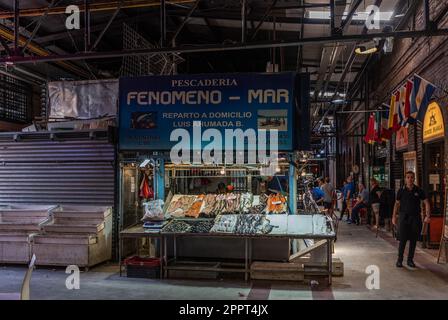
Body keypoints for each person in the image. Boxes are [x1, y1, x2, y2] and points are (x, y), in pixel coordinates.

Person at [392, 171, 431, 268]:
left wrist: (427, 215)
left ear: (414, 179)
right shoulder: (401, 191)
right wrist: (394, 216)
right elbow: (396, 204)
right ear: (405, 179)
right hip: (404, 217)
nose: (410, 179)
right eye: (408, 177)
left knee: (413, 240)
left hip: (415, 218)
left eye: (412, 177)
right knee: (403, 239)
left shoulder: (419, 190)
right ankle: (399, 260)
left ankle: (410, 260)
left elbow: (426, 202)